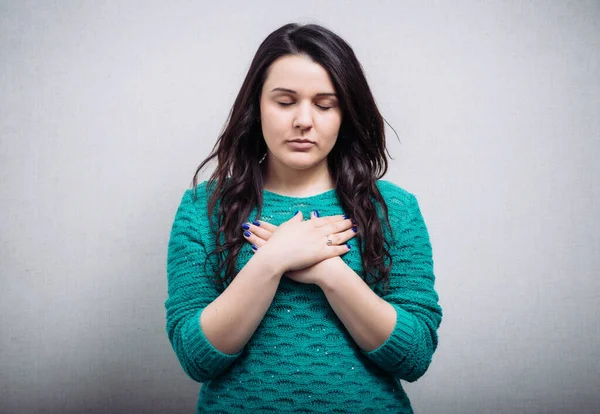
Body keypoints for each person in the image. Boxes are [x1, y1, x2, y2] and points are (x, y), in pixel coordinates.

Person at [165, 22, 442, 413]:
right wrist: (274, 259)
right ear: (256, 107)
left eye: (324, 104)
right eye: (284, 101)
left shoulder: (393, 209)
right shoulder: (203, 207)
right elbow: (196, 357)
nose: (303, 121)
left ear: (346, 112)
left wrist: (329, 271)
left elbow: (414, 356)